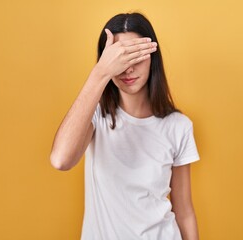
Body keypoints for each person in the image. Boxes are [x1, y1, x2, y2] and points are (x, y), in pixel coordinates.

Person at [50, 12, 200, 240]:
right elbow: (61, 159)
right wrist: (100, 72)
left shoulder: (178, 126)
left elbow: (185, 211)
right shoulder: (95, 117)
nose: (128, 69)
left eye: (135, 56)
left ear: (152, 56)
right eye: (120, 58)